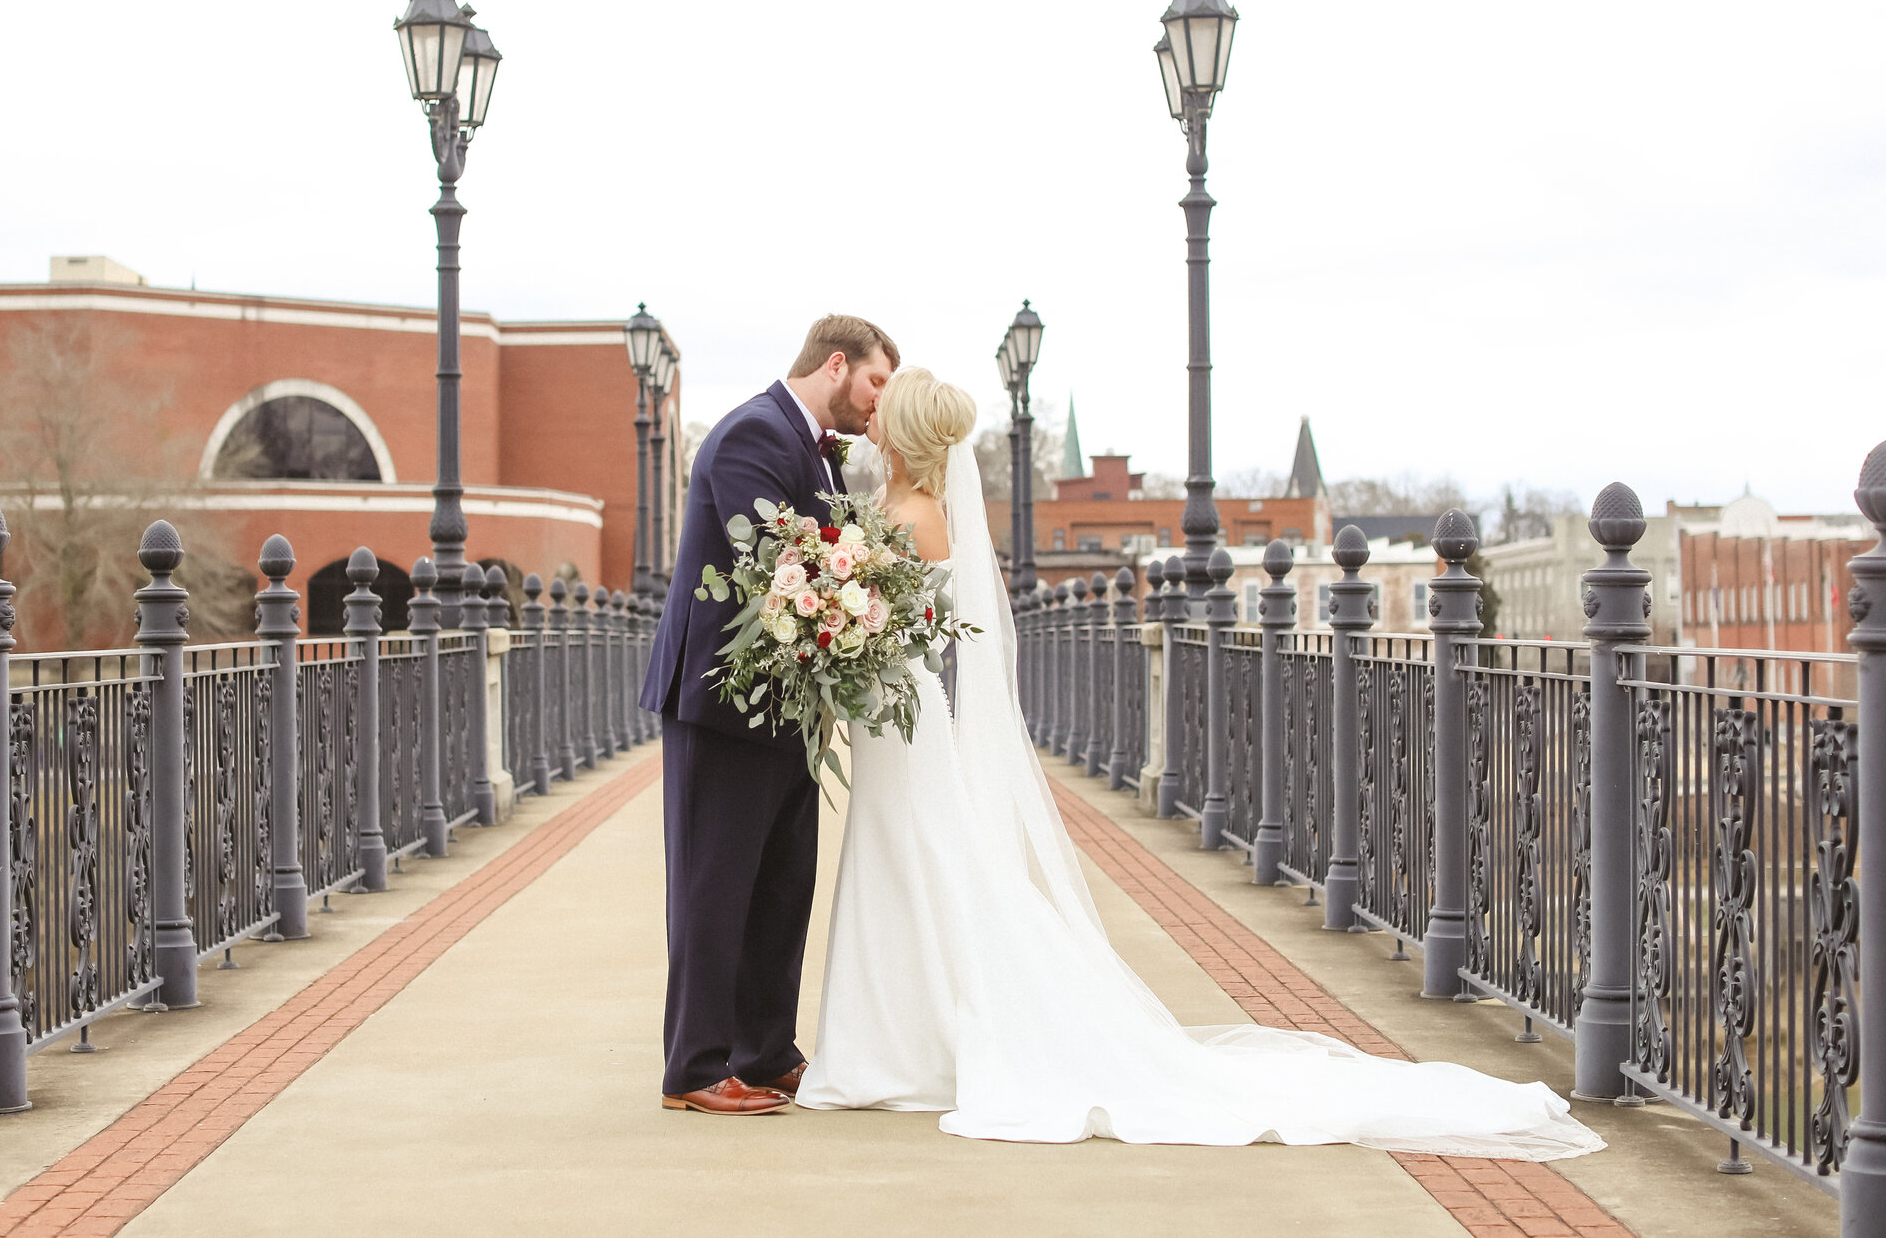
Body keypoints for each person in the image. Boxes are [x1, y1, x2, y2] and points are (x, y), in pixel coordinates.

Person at [797, 366, 1604, 1159]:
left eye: (885, 408)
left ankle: (898, 1046)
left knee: (922, 858)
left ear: (903, 433)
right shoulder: (895, 505)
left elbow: (908, 624)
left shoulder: (915, 515)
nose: (873, 414)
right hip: (892, 719)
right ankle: (897, 1035)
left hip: (903, 722)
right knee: (908, 861)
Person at [641, 314, 897, 1115]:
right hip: (722, 699)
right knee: (715, 885)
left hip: (786, 703)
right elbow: (776, 558)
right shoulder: (752, 432)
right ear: (835, 363)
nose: (878, 401)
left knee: (783, 883)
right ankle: (693, 1066)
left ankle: (765, 1050)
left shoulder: (815, 449)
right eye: (876, 381)